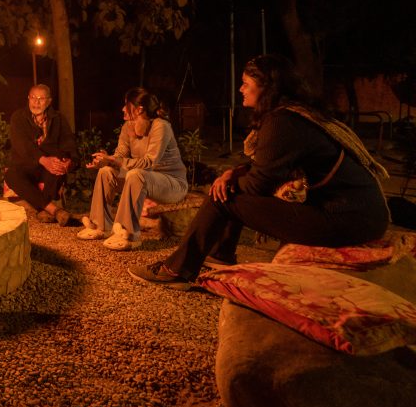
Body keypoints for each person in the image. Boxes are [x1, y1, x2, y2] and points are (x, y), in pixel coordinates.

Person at [129, 54, 390, 289]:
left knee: (223, 197)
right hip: (359, 216)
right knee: (229, 186)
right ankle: (219, 256)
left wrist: (228, 180)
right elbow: (269, 165)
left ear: (266, 86)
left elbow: (259, 185)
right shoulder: (296, 114)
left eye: (245, 83)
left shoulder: (283, 121)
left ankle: (177, 269)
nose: (240, 88)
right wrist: (234, 173)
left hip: (344, 220)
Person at [79, 87, 188, 250]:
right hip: (142, 180)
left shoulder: (161, 126)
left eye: (126, 105)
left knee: (136, 174)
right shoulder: (128, 126)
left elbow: (150, 162)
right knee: (106, 173)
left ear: (139, 109)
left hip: (171, 184)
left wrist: (116, 160)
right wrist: (105, 162)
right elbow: (120, 154)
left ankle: (128, 233)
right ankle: (100, 225)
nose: (123, 109)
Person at [6, 84, 75, 225]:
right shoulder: (18, 117)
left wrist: (68, 161)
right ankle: (54, 210)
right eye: (33, 98)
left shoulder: (58, 119)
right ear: (28, 98)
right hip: (26, 165)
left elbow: (69, 143)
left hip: (48, 169)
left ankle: (43, 210)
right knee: (11, 175)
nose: (36, 102)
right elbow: (22, 145)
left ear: (49, 101)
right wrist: (43, 159)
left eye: (41, 98)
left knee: (58, 168)